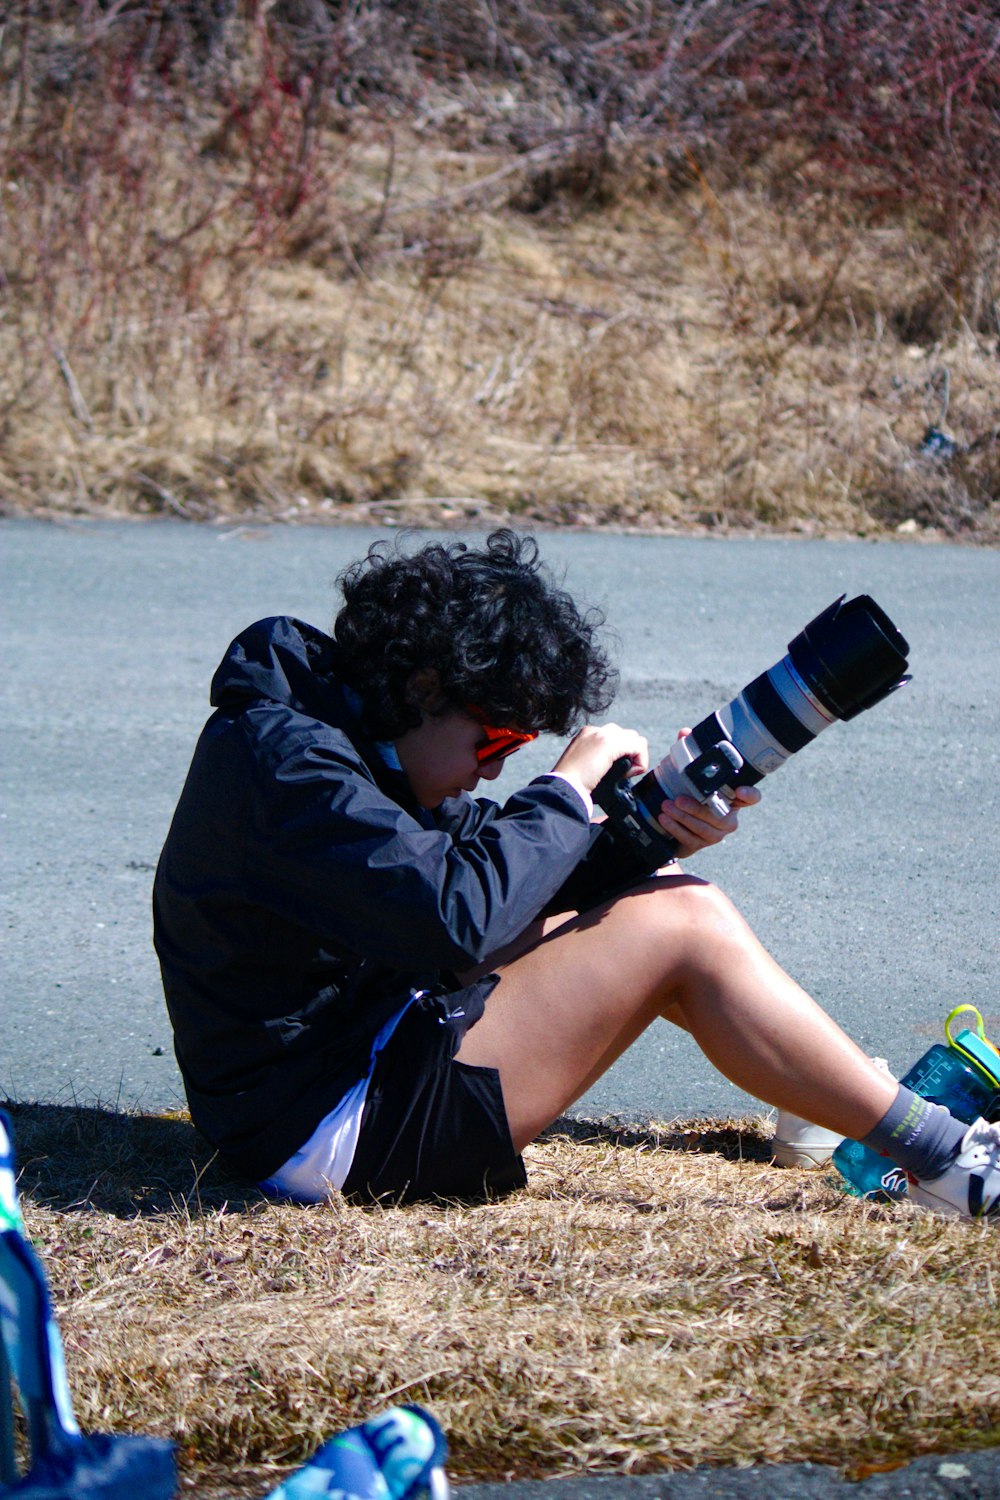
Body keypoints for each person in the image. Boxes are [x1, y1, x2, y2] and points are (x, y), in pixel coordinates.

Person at [153, 530, 1000, 1219]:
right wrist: (563, 786)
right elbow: (456, 917)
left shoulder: (353, 741)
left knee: (661, 898)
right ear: (421, 685)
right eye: (494, 743)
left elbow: (502, 880)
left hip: (353, 1056)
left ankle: (891, 1123)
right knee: (683, 927)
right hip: (322, 1129)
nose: (491, 773)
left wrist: (650, 830)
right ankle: (948, 1163)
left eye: (515, 753)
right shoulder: (288, 765)